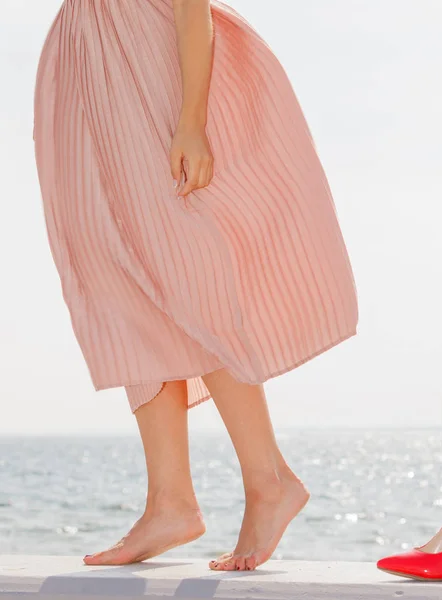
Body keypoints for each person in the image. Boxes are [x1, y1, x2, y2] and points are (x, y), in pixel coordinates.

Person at [33, 0, 358, 572]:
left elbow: (191, 7)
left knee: (185, 275)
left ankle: (268, 479)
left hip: (147, 60)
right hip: (84, 64)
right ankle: (170, 501)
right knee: (115, 286)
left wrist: (191, 120)